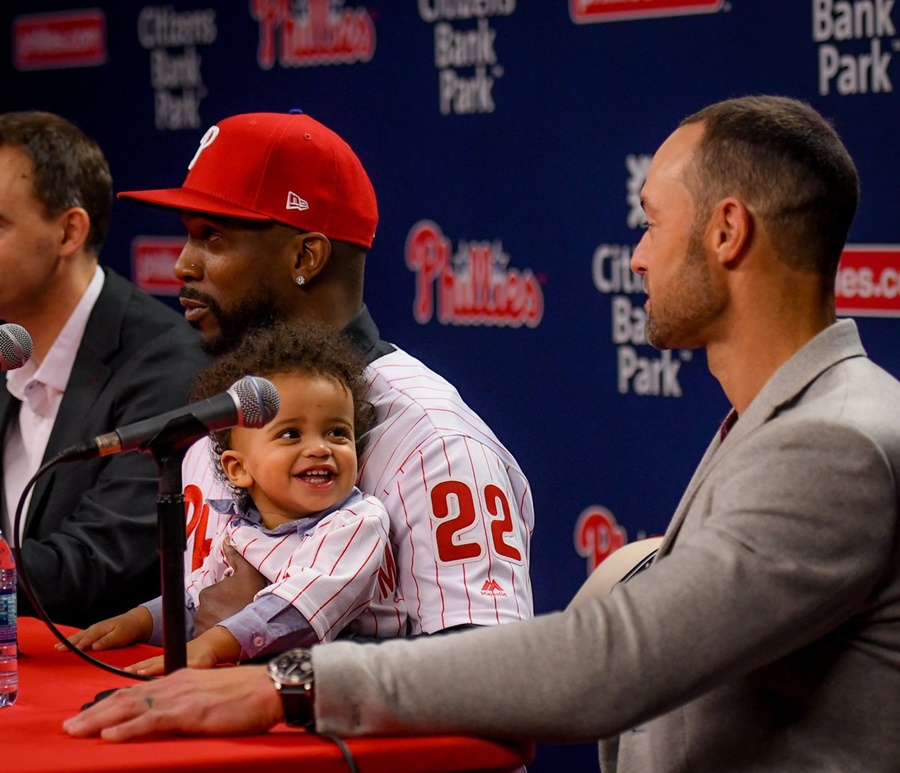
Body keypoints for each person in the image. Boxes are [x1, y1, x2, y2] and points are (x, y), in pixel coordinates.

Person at [65, 95, 900, 772]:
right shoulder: (788, 422)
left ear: (727, 232)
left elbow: (611, 662)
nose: (637, 258)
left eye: (651, 222)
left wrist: (288, 680)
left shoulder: (833, 446)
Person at [113, 109, 534, 638]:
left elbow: (487, 665)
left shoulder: (434, 442)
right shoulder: (222, 419)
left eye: (213, 238)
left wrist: (273, 656)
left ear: (306, 257)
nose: (182, 265)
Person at [61, 321, 405, 674]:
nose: (320, 448)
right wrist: (137, 621)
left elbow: (296, 610)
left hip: (346, 685)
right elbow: (198, 598)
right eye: (291, 434)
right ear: (238, 469)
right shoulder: (239, 528)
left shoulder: (357, 522)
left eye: (337, 432)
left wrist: (211, 646)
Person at [0, 111, 210, 627]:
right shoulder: (7, 346)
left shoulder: (168, 366)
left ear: (69, 231)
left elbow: (93, 569)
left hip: (111, 667)